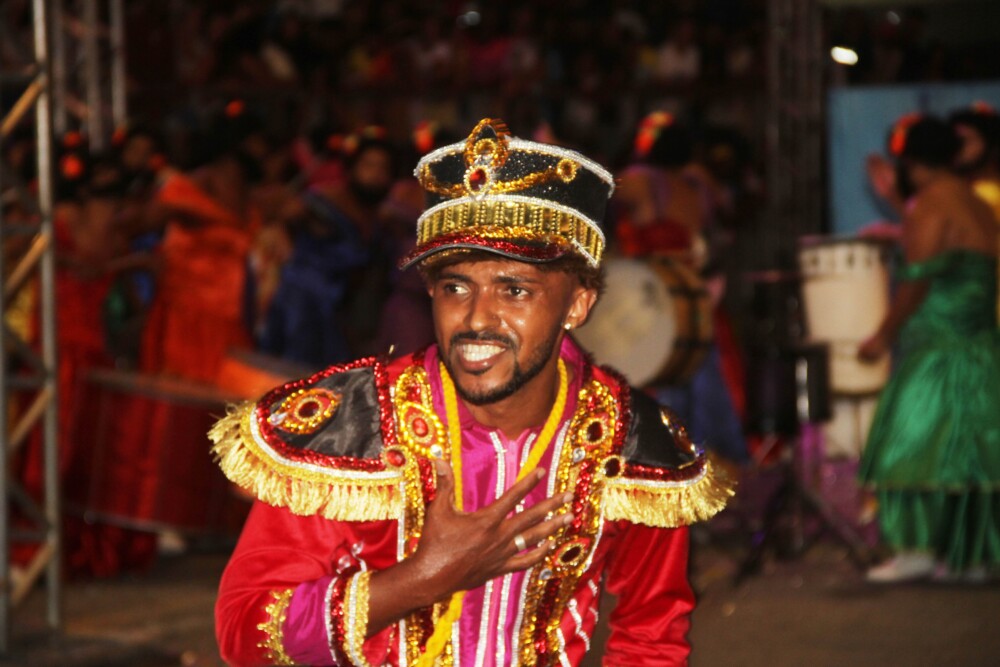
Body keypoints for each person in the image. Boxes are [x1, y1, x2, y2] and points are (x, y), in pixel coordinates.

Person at [212, 118, 733, 666]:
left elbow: (651, 633)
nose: (477, 318)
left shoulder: (629, 442)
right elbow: (245, 633)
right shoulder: (352, 426)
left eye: (515, 290)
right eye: (455, 287)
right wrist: (420, 579)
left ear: (578, 304)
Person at [858, 114, 1000, 583]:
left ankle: (917, 549)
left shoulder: (931, 205)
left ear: (913, 163)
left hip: (937, 353)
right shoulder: (976, 203)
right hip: (981, 350)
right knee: (973, 456)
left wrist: (883, 335)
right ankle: (971, 556)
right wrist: (898, 203)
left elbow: (916, 282)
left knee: (909, 446)